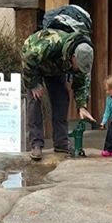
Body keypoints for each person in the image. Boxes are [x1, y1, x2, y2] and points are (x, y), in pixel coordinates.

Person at [22, 27, 95, 160]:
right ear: (73, 57)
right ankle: (36, 144)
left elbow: (81, 83)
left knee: (62, 99)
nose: (79, 69)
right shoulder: (52, 43)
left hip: (55, 69)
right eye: (78, 66)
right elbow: (28, 59)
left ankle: (61, 142)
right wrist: (33, 84)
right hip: (35, 65)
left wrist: (81, 106)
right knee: (35, 100)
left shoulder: (82, 58)